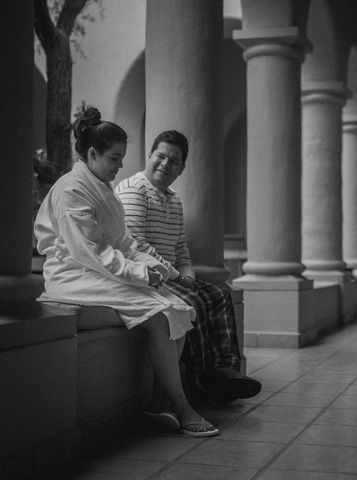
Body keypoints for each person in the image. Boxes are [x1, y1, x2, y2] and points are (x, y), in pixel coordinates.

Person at [34, 106, 219, 437]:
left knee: (180, 308)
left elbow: (126, 243)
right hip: (73, 275)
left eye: (121, 158)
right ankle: (181, 405)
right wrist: (141, 275)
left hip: (99, 269)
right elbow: (91, 253)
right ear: (92, 153)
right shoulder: (71, 189)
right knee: (162, 315)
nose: (120, 166)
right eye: (115, 158)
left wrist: (162, 271)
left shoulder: (103, 188)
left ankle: (158, 401)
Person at [115, 130, 261, 406]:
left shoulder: (174, 200)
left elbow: (181, 246)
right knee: (192, 302)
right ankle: (202, 380)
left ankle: (226, 370)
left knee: (218, 295)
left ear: (181, 169)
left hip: (170, 276)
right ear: (150, 155)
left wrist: (189, 274)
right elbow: (136, 244)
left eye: (174, 161)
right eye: (160, 156)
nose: (165, 164)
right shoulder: (134, 189)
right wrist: (177, 276)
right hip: (146, 277)